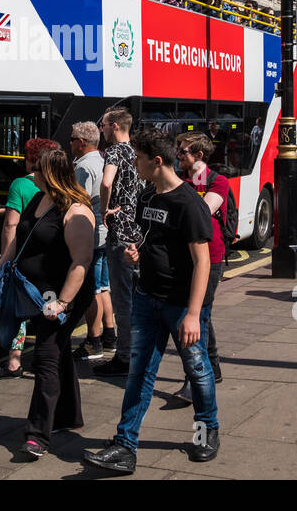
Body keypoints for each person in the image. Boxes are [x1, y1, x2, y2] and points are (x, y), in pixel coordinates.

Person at [82, 127, 218, 474]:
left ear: (156, 161)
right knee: (140, 373)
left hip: (179, 303)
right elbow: (152, 242)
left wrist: (192, 314)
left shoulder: (189, 203)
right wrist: (136, 255)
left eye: (139, 159)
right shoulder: (147, 197)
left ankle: (206, 431)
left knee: (198, 369)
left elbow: (202, 261)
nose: (135, 165)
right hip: (146, 298)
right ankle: (125, 446)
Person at [12, 149, 95, 458]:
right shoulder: (38, 199)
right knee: (58, 354)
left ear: (50, 175)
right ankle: (68, 416)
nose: (32, 174)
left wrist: (61, 302)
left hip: (62, 297)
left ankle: (37, 436)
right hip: (36, 293)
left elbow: (81, 262)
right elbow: (22, 238)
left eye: (37, 170)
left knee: (46, 358)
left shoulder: (76, 212)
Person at [0, 137, 62, 378]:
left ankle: (14, 361)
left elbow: (12, 225)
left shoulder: (20, 184)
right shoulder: (59, 185)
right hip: (49, 261)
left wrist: (5, 260)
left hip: (24, 258)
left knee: (18, 309)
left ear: (32, 159)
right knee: (45, 307)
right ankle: (44, 357)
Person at [174, 131, 229, 399]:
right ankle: (214, 367)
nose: (178, 154)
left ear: (199, 156)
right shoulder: (181, 180)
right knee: (202, 314)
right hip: (184, 256)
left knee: (197, 315)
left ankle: (194, 378)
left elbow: (202, 213)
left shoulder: (218, 182)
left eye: (183, 151)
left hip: (211, 257)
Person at [94, 108, 143, 378]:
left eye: (102, 126)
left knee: (122, 299)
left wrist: (104, 208)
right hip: (138, 234)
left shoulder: (113, 152)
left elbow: (106, 181)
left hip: (120, 235)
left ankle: (125, 357)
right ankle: (139, 351)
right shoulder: (137, 152)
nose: (101, 130)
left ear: (114, 126)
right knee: (139, 297)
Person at [70, 122, 115, 360]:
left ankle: (93, 341)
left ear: (82, 141)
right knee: (104, 286)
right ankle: (109, 336)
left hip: (92, 237)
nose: (70, 143)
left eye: (71, 138)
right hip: (105, 234)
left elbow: (78, 203)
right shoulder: (102, 160)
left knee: (92, 290)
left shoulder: (83, 168)